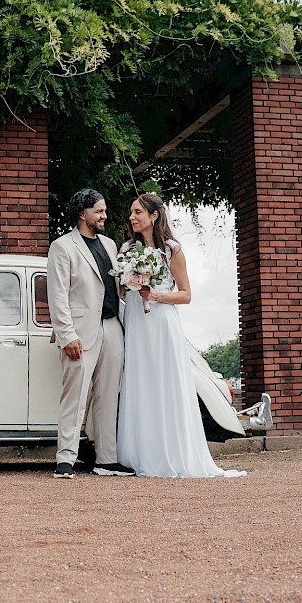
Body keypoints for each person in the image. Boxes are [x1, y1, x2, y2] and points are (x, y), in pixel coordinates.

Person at [116, 193, 246, 478]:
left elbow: (186, 294)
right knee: (140, 382)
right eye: (131, 213)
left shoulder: (172, 250)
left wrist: (157, 294)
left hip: (163, 323)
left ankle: (173, 452)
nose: (132, 217)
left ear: (154, 216)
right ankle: (141, 453)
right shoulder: (127, 250)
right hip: (137, 321)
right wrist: (132, 284)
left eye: (137, 212)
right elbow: (123, 289)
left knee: (165, 383)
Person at [47, 188, 135, 479]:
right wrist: (66, 335)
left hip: (112, 326)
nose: (104, 216)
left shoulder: (110, 245)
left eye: (105, 211)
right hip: (80, 332)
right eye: (99, 211)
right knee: (75, 396)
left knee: (109, 395)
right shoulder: (62, 246)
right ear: (82, 213)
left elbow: (119, 287)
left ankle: (106, 459)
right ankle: (65, 460)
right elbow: (57, 296)